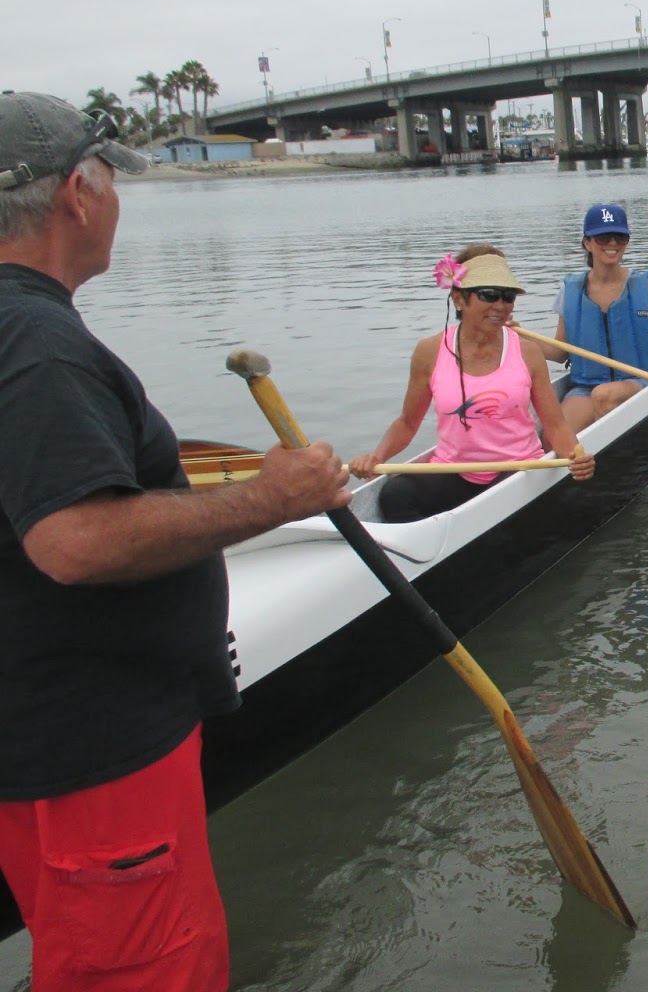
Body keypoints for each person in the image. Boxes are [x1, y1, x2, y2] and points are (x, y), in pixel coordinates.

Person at [0, 92, 350, 991]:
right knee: (151, 970)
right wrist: (269, 500)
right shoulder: (36, 342)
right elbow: (71, 539)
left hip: (43, 748)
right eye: (113, 176)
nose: (119, 196)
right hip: (97, 764)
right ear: (78, 193)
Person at [347, 246, 595, 522]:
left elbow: (556, 425)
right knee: (395, 495)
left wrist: (576, 457)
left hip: (518, 469)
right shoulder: (428, 352)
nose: (500, 306)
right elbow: (407, 423)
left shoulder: (527, 352)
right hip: (454, 470)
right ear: (458, 299)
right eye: (489, 295)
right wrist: (376, 457)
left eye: (507, 296)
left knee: (504, 504)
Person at [541, 203, 648, 432]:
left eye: (620, 238)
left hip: (640, 380)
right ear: (587, 243)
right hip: (586, 385)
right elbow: (560, 352)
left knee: (604, 395)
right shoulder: (570, 291)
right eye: (603, 238)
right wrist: (522, 343)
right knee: (555, 436)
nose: (612, 244)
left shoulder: (645, 286)